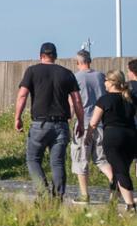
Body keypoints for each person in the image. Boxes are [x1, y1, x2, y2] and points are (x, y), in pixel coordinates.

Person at [14, 42, 84, 198]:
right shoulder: (67, 73)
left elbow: (22, 95)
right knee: (57, 162)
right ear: (55, 56)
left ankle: (43, 193)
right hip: (61, 124)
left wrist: (17, 117)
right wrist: (81, 123)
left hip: (40, 124)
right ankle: (58, 197)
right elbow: (77, 101)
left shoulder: (32, 71)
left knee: (33, 159)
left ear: (41, 56)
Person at [87, 70, 137, 212]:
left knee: (121, 171)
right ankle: (112, 203)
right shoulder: (131, 98)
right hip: (131, 136)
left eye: (106, 81)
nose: (104, 83)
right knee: (119, 169)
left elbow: (94, 123)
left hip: (113, 137)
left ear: (111, 82)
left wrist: (88, 136)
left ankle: (131, 206)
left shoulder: (104, 100)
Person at [70, 50, 111, 203]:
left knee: (81, 159)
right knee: (101, 159)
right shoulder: (101, 76)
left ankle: (84, 195)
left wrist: (69, 120)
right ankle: (115, 181)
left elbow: (72, 103)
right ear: (90, 60)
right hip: (101, 124)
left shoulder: (75, 77)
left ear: (78, 62)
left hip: (84, 123)